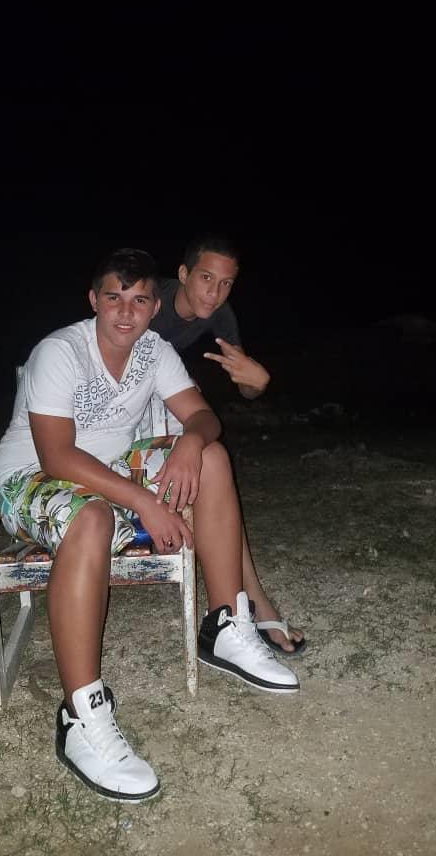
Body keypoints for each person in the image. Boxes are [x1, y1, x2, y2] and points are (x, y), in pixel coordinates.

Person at [0, 247, 298, 804]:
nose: (126, 313)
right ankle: (81, 715)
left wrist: (191, 441)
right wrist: (146, 502)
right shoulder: (59, 352)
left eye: (138, 301)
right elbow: (57, 457)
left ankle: (225, 624)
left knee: (212, 458)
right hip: (33, 476)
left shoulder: (154, 351)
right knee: (92, 517)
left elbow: (203, 414)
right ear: (94, 301)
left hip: (113, 469)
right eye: (114, 298)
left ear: (155, 307)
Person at [147, 233, 306, 656]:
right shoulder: (151, 302)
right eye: (205, 278)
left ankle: (244, 602)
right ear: (182, 274)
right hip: (121, 419)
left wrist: (258, 384)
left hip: (161, 411)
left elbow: (245, 384)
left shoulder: (220, 315)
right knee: (207, 474)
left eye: (225, 283)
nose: (214, 293)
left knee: (213, 477)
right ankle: (246, 603)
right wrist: (175, 387)